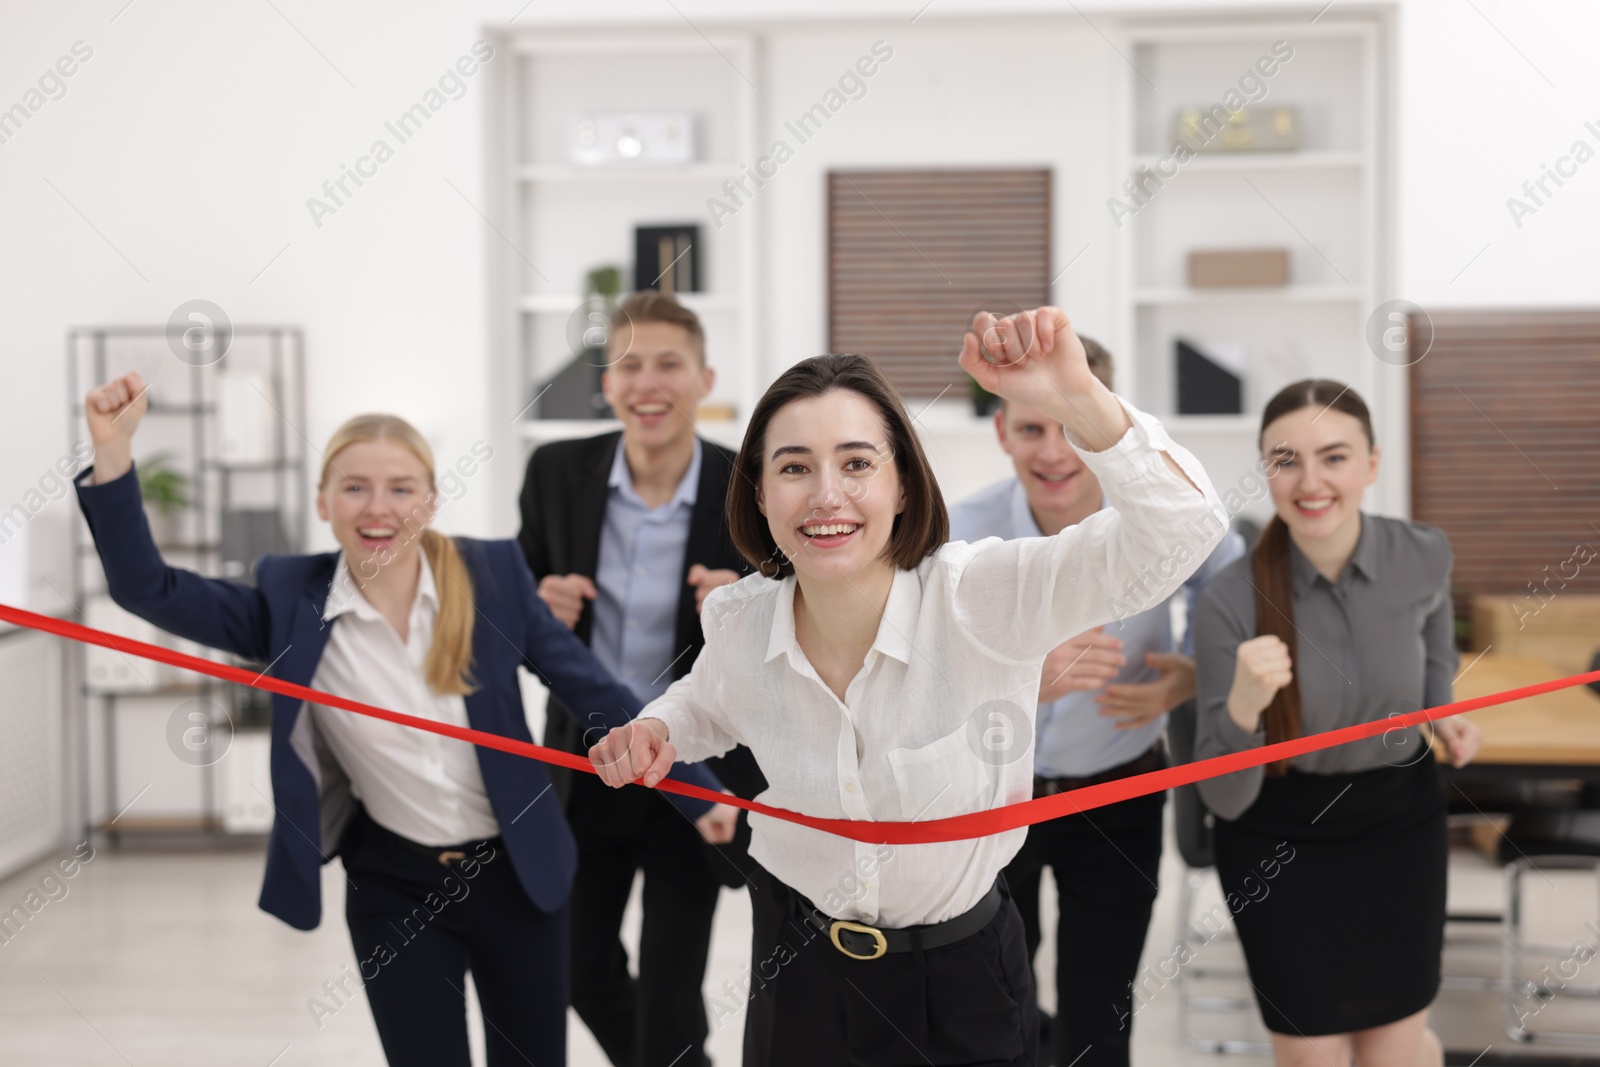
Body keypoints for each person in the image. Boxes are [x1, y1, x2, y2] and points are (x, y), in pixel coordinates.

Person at [589, 306, 1230, 1066]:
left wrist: (1077, 398)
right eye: (794, 466)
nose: (826, 495)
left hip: (962, 979)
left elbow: (1186, 526)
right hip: (795, 965)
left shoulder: (981, 594)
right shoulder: (738, 616)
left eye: (857, 463)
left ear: (902, 484)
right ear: (761, 493)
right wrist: (659, 729)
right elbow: (706, 702)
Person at [74, 371, 727, 1067]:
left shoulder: (493, 578)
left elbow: (591, 687)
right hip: (396, 884)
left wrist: (697, 790)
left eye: (401, 487)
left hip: (519, 874)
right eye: (355, 486)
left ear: (432, 500)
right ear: (324, 501)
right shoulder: (286, 599)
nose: (377, 507)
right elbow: (148, 588)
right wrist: (112, 451)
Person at [949, 335, 1244, 1067]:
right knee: (989, 1014)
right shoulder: (958, 532)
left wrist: (1189, 679)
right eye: (1030, 428)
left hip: (1116, 794)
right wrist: (1022, 667)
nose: (1054, 453)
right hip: (992, 796)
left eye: (1071, 427)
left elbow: (1234, 610)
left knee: (1099, 1020)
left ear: (1104, 424)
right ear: (1000, 432)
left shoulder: (1164, 522)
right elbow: (924, 666)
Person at [1191, 379, 1481, 1067]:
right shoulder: (1227, 603)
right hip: (1278, 834)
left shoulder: (1424, 553)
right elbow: (1224, 797)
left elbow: (1436, 647)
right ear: (1266, 471)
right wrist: (1241, 706)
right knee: (1313, 1055)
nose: (1310, 481)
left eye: (1335, 457)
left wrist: (1444, 713)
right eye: (1286, 459)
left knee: (1394, 1049)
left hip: (1399, 823)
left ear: (1372, 464)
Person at [518, 290, 766, 1067]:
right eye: (629, 364)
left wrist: (743, 602)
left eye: (668, 363)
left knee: (671, 986)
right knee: (577, 967)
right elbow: (512, 609)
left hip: (694, 765)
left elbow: (802, 617)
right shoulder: (556, 470)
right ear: (606, 381)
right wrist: (538, 606)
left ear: (704, 378)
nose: (647, 382)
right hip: (585, 761)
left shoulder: (752, 484)